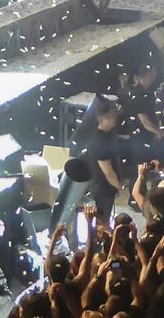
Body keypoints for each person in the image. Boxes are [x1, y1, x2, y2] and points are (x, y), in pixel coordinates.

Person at [50, 98, 126, 237]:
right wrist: (119, 187)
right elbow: (107, 172)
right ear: (106, 118)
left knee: (103, 220)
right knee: (101, 223)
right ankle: (98, 247)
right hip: (103, 188)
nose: (117, 117)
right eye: (114, 114)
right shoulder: (99, 141)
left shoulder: (107, 135)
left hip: (105, 186)